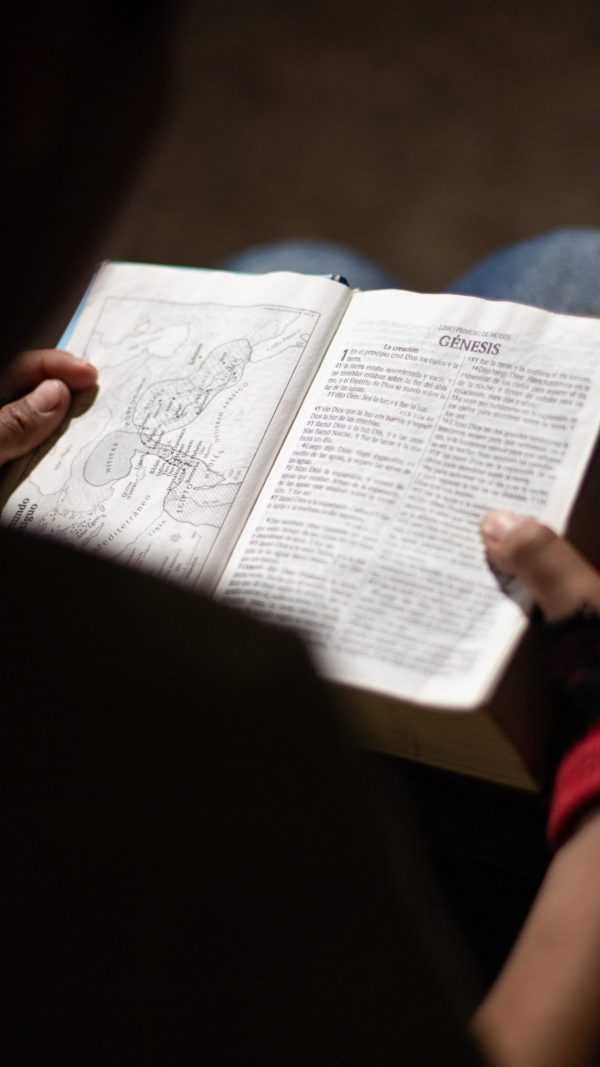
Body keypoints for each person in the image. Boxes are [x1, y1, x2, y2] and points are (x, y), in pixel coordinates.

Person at [3, 5, 600, 1064]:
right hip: (446, 871)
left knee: (303, 266)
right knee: (573, 269)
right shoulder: (199, 699)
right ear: (46, 120)